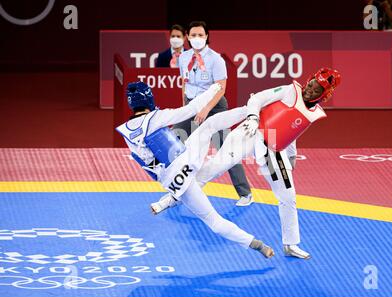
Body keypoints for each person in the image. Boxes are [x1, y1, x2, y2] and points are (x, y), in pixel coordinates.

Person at [150, 67, 342, 259]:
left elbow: (293, 130)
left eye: (316, 90)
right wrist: (252, 117)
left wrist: (291, 156)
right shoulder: (289, 90)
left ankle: (290, 244)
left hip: (272, 149)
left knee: (288, 195)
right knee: (213, 169)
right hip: (250, 132)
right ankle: (172, 198)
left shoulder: (313, 113)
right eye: (310, 85)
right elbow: (256, 99)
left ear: (324, 95)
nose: (310, 90)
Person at [115, 81, 274, 259]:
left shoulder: (126, 133)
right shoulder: (155, 117)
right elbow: (192, 109)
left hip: (174, 181)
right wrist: (214, 89)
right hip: (186, 158)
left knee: (213, 220)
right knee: (210, 125)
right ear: (149, 98)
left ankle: (257, 245)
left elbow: (147, 163)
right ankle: (250, 110)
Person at [170, 20, 253, 207]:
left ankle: (245, 193)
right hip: (192, 105)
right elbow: (185, 83)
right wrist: (185, 106)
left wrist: (206, 109)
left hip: (214, 107)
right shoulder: (183, 58)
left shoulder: (216, 59)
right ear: (187, 38)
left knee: (226, 149)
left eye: (200, 35)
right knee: (175, 140)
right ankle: (179, 190)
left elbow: (221, 89)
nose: (197, 38)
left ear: (207, 37)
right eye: (193, 35)